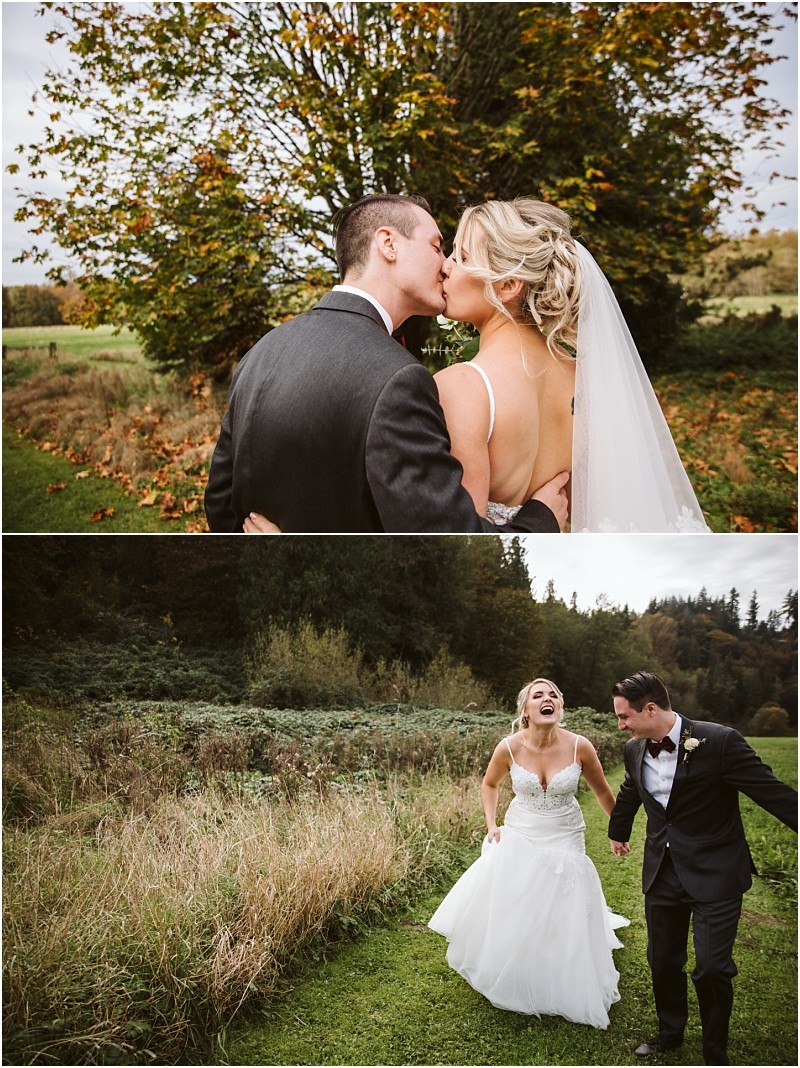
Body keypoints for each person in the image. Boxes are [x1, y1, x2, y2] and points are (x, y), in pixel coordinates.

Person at [204, 193, 569, 533]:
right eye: (438, 247)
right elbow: (446, 543)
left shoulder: (261, 352)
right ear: (389, 244)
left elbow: (221, 504)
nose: (445, 266)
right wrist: (542, 519)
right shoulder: (400, 379)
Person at [434, 198, 710, 532]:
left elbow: (466, 540)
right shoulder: (584, 376)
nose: (445, 267)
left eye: (461, 257)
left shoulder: (462, 387)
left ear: (508, 286)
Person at [608, 671, 797, 1065]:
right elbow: (631, 790)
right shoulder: (634, 749)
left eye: (624, 717)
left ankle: (715, 1050)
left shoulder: (720, 741)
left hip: (716, 871)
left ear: (651, 708)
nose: (620, 725)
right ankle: (670, 1032)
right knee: (662, 959)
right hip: (663, 869)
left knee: (712, 968)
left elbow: (771, 791)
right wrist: (618, 830)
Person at [428, 678, 629, 1029]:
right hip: (522, 829)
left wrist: (620, 831)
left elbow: (602, 792)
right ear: (526, 710)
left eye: (553, 695)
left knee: (563, 897)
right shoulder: (508, 748)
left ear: (559, 708)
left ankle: (563, 967)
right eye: (538, 695)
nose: (547, 699)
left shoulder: (581, 746)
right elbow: (489, 784)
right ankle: (519, 962)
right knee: (522, 899)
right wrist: (491, 824)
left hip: (566, 833)